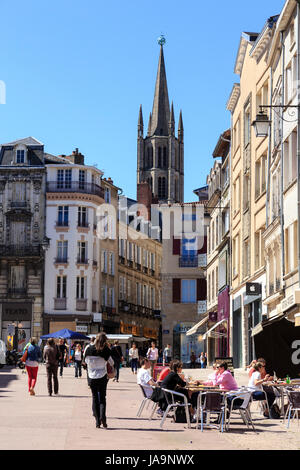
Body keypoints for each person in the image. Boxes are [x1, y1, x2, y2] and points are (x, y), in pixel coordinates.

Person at [84, 332, 114, 428]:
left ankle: (97, 421)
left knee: (94, 397)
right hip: (102, 376)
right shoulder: (106, 350)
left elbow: (85, 361)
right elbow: (112, 362)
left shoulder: (89, 349)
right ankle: (103, 418)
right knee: (102, 398)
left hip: (91, 376)